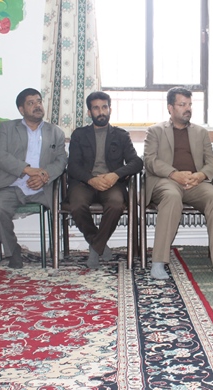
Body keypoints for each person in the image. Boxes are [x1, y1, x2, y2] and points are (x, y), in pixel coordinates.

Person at [143, 87, 213, 282]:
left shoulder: (200, 132)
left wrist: (201, 175)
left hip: (195, 182)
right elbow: (150, 160)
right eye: (182, 104)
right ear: (170, 108)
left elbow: (211, 161)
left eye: (190, 104)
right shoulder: (155, 131)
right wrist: (174, 174)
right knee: (172, 197)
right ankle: (158, 261)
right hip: (166, 181)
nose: (188, 108)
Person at [0, 88, 67, 269]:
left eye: (39, 101)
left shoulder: (55, 132)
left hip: (43, 187)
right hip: (12, 184)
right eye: (31, 103)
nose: (37, 106)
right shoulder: (7, 128)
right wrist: (26, 169)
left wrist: (44, 176)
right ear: (21, 109)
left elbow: (61, 160)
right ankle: (13, 250)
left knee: (64, 206)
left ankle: (56, 249)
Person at [67, 91, 143, 267]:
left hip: (111, 183)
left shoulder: (121, 135)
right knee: (77, 205)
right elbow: (73, 166)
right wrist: (90, 179)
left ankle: (95, 247)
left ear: (110, 109)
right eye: (96, 108)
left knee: (116, 204)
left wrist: (115, 175)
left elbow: (137, 162)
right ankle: (99, 244)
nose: (101, 112)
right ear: (89, 112)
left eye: (104, 107)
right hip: (84, 183)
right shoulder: (79, 135)